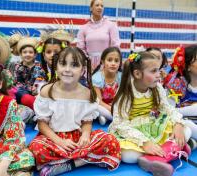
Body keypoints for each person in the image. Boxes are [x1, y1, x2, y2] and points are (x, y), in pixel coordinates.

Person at [29, 47, 121, 176]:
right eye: (63, 63)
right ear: (56, 66)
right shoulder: (46, 91)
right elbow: (42, 124)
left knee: (110, 140)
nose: (67, 69)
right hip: (53, 139)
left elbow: (87, 121)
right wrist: (60, 141)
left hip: (77, 139)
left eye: (74, 65)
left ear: (83, 70)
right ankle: (88, 159)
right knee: (36, 148)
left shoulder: (87, 93)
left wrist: (85, 136)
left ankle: (71, 164)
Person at [108, 52, 191, 176]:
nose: (159, 75)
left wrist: (178, 125)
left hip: (152, 125)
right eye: (153, 71)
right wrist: (144, 142)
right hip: (132, 130)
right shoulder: (126, 95)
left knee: (186, 130)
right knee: (128, 156)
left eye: (158, 70)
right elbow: (120, 124)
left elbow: (168, 109)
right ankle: (171, 150)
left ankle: (158, 157)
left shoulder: (156, 87)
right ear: (137, 74)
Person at [77, 0, 120, 71]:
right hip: (88, 66)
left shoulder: (111, 25)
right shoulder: (83, 28)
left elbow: (115, 46)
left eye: (102, 6)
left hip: (107, 64)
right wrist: (87, 63)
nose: (100, 8)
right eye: (97, 5)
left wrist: (108, 61)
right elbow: (80, 49)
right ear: (91, 8)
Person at [92, 47, 122, 125]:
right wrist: (112, 109)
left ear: (120, 63)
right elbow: (99, 101)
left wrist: (117, 106)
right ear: (102, 62)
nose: (113, 63)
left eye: (116, 61)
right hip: (102, 105)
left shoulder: (121, 77)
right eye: (109, 60)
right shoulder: (96, 78)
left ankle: (105, 117)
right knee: (95, 106)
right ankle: (113, 118)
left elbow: (123, 97)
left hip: (116, 105)